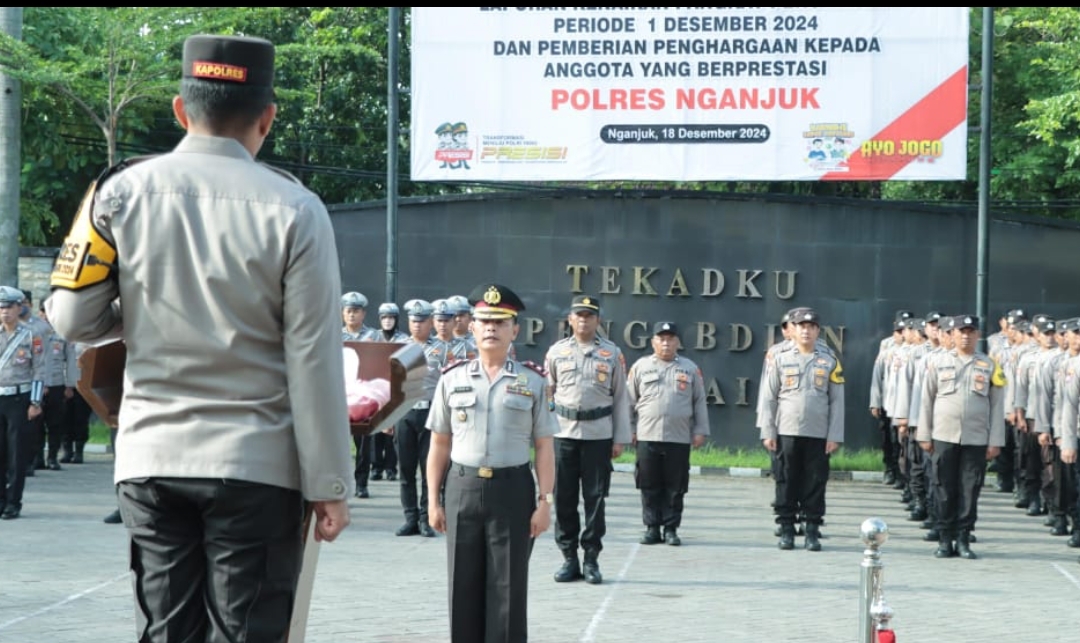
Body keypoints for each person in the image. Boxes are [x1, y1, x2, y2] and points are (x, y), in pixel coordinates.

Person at [46, 34, 353, 641]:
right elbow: (313, 358)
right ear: (267, 117)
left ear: (181, 111)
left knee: (165, 629)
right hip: (256, 463)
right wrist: (329, 486)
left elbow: (73, 321)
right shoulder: (297, 208)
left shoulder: (118, 192)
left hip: (150, 457)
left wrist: (141, 313)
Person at [426, 283, 556, 643]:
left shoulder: (531, 381)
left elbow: (544, 447)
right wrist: (433, 501)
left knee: (508, 587)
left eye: (501, 322)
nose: (491, 329)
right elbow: (439, 443)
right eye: (484, 321)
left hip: (512, 490)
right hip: (462, 489)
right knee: (462, 583)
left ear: (515, 329)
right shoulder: (452, 379)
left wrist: (545, 503)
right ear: (472, 326)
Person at [544, 294, 631, 584]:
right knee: (564, 499)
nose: (584, 320)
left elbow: (620, 398)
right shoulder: (556, 352)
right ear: (570, 319)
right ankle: (569, 558)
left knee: (595, 499)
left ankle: (591, 558)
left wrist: (620, 438)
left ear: (598, 320)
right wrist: (545, 434)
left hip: (598, 435)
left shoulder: (611, 353)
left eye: (589, 315)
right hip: (564, 434)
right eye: (579, 315)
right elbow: (548, 394)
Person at [917, 315, 1006, 559]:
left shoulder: (989, 365)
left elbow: (997, 406)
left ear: (978, 335)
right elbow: (926, 400)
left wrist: (995, 440)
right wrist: (924, 434)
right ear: (952, 335)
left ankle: (964, 538)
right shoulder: (937, 362)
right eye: (961, 331)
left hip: (976, 439)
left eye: (971, 331)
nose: (966, 336)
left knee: (970, 490)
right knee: (943, 488)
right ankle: (945, 539)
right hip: (943, 436)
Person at [759, 307, 845, 551]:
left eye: (811, 326)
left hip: (818, 434)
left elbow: (837, 401)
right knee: (786, 480)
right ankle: (786, 529)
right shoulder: (780, 359)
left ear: (818, 330)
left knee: (815, 482)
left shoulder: (830, 361)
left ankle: (812, 530)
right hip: (786, 431)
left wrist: (834, 435)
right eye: (801, 326)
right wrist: (768, 431)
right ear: (793, 330)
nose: (806, 331)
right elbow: (769, 397)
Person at [627, 322, 709, 547]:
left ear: (678, 342)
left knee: (676, 485)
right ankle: (652, 527)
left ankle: (671, 528)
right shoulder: (641, 367)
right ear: (653, 341)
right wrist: (630, 429)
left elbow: (699, 401)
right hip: (647, 435)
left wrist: (700, 430)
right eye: (661, 339)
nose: (666, 343)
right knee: (648, 483)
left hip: (679, 437)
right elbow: (628, 401)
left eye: (670, 339)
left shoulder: (690, 368)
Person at [395, 298, 440, 537]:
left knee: (428, 469)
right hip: (404, 412)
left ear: (431, 322)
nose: (418, 325)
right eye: (414, 321)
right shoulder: (399, 346)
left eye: (422, 321)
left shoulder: (442, 349)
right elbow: (390, 382)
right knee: (406, 469)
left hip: (431, 413)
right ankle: (409, 518)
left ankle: (425, 519)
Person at [0, 285, 46, 520]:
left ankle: (13, 502)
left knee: (16, 453)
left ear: (19, 307)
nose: (4, 312)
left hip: (19, 398)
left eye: (9, 307)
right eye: (1, 308)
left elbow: (38, 370)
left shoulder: (31, 334)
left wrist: (35, 402)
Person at [370, 302, 408, 482]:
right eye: (384, 317)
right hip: (376, 388)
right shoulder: (373, 337)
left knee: (393, 431)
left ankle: (391, 468)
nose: (387, 321)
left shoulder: (405, 339)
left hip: (395, 389)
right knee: (376, 430)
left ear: (396, 319)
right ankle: (376, 467)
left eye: (391, 317)